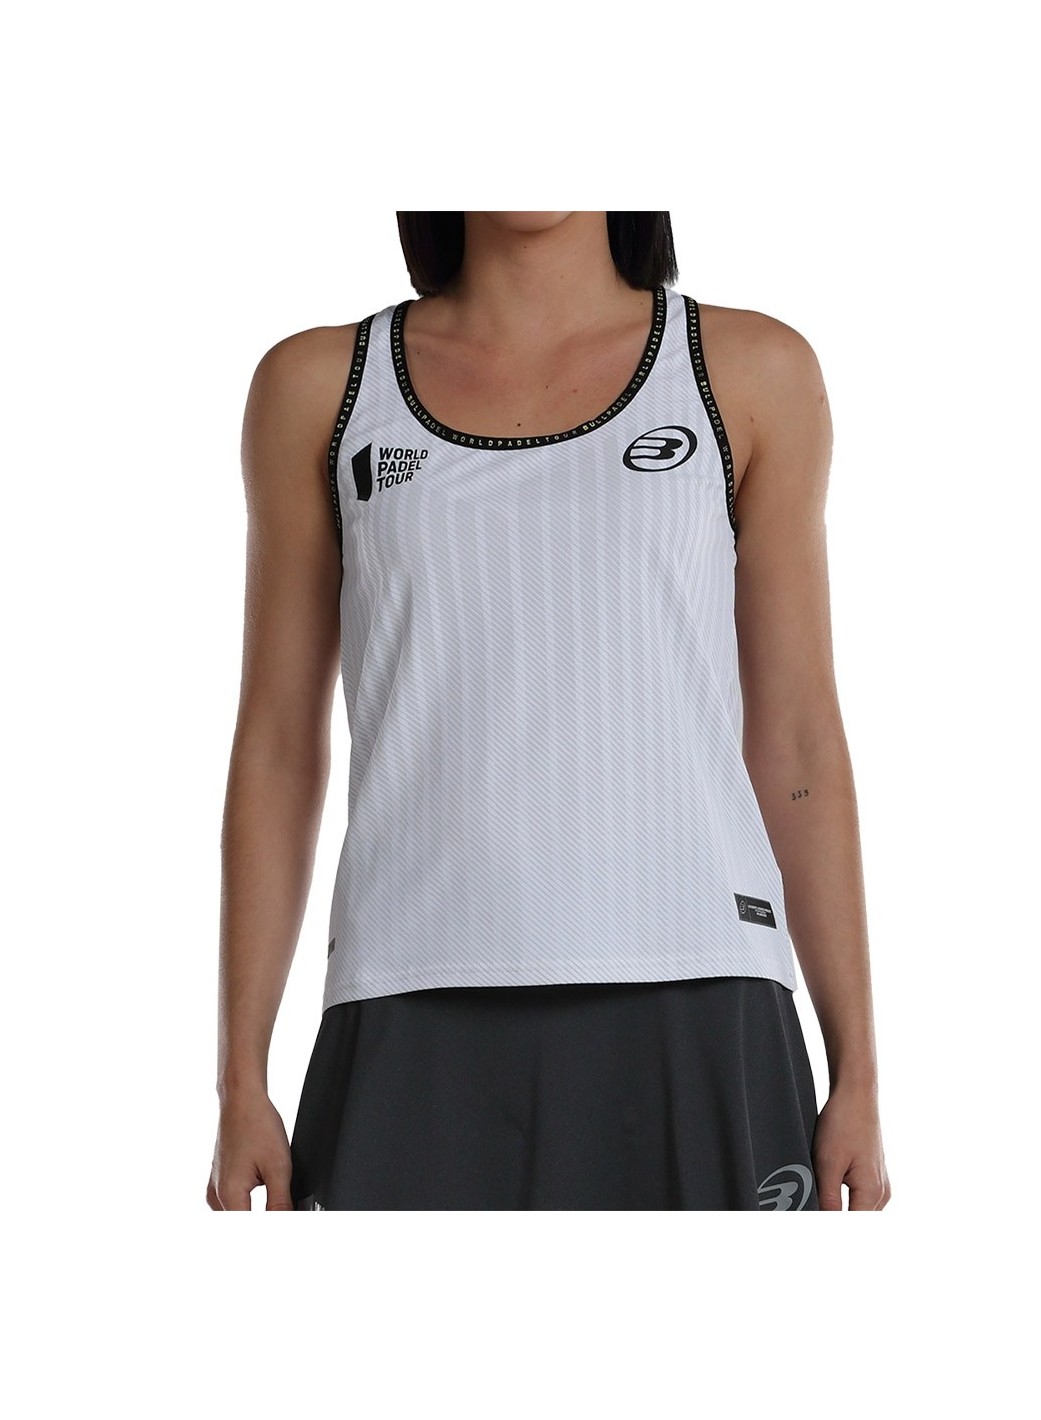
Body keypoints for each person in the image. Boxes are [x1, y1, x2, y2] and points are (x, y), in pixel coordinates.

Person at [207, 211, 891, 1211]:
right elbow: (276, 746)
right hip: (410, 998)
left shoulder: (748, 372)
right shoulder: (321, 387)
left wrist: (857, 1072)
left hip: (699, 992)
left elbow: (797, 742)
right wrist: (240, 1077)